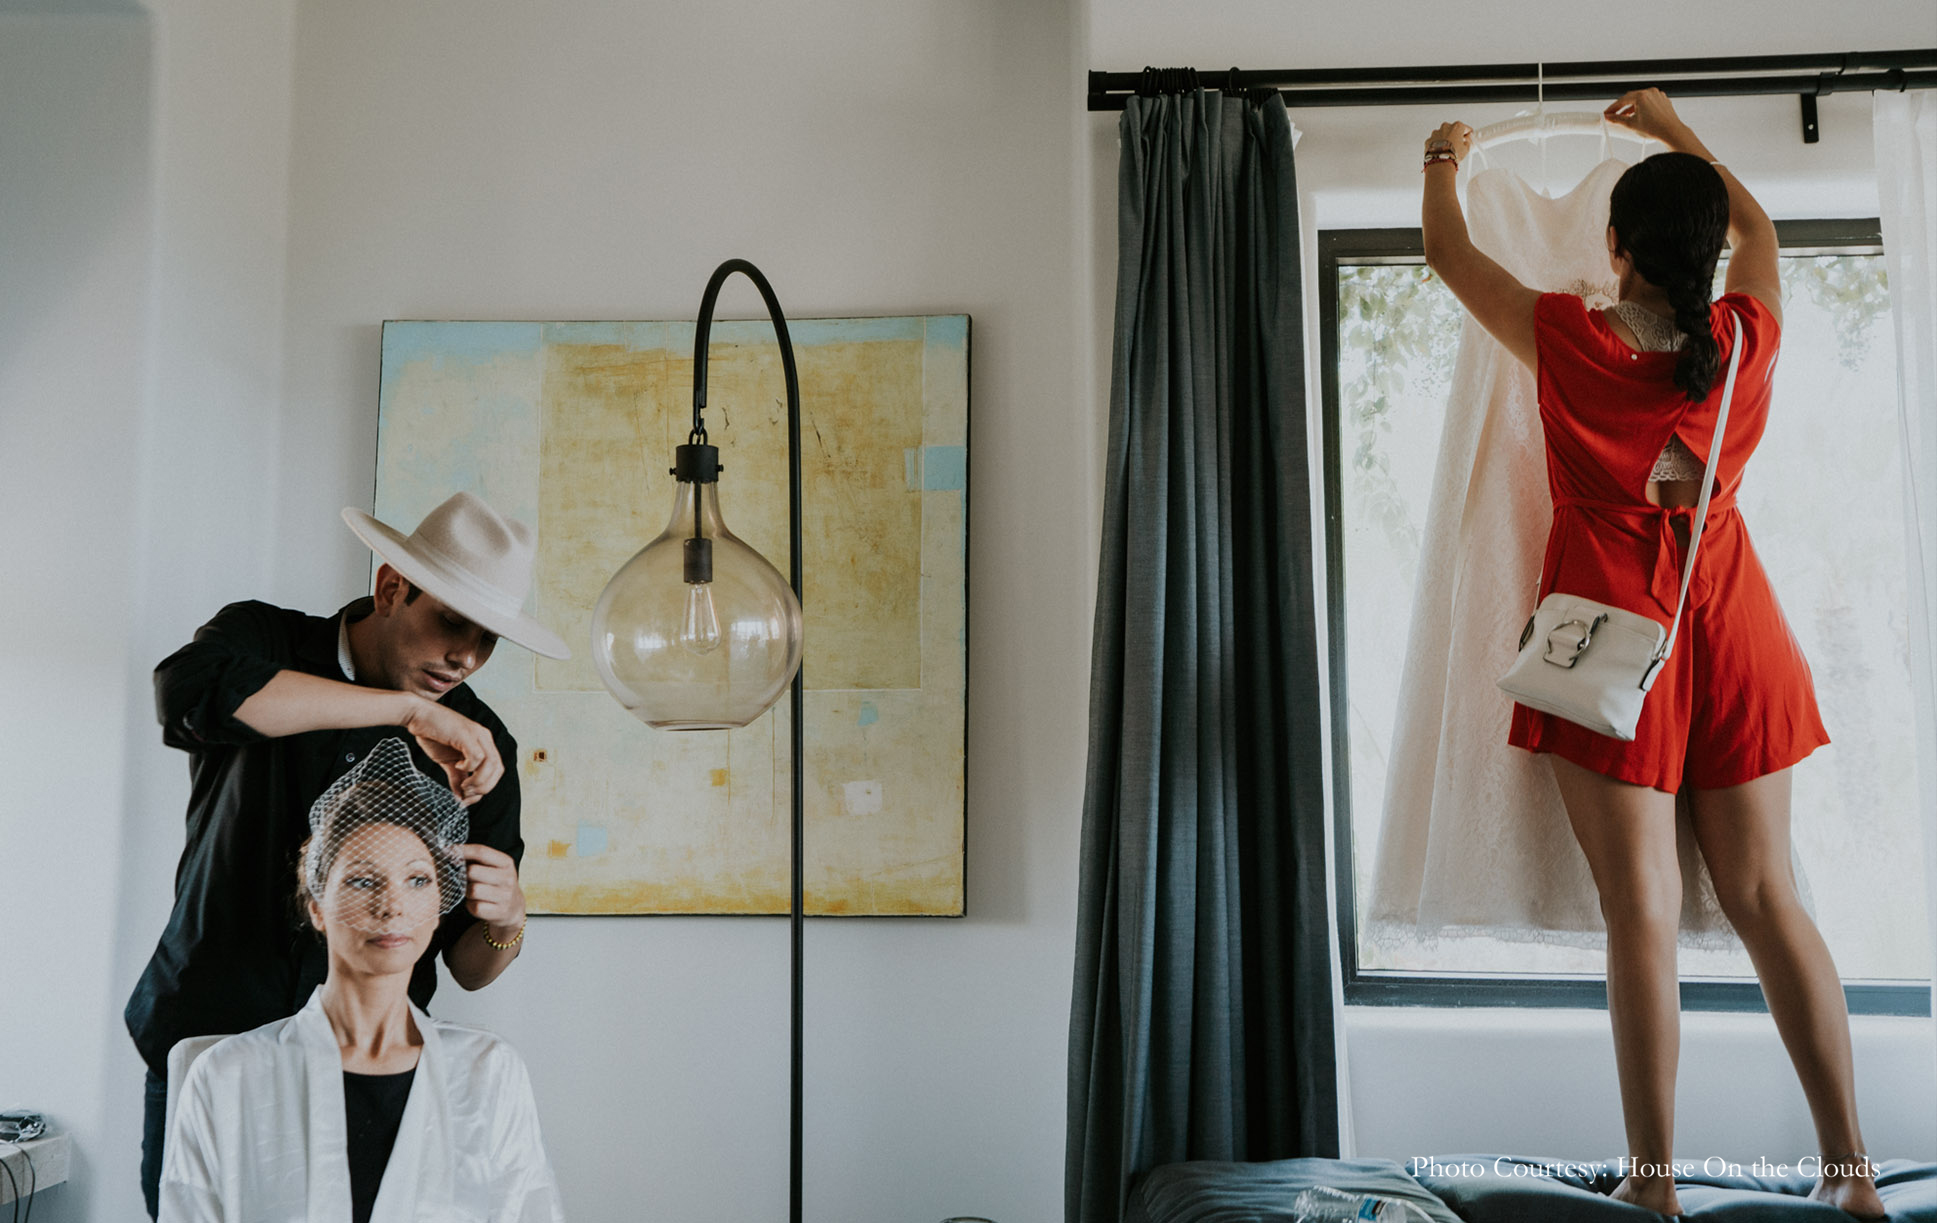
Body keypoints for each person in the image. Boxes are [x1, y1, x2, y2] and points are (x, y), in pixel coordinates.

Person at [1419, 89, 1884, 1220]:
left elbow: (1447, 252)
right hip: (1730, 617)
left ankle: (1655, 1180)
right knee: (1769, 897)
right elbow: (1760, 231)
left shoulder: (1569, 338)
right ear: (1705, 251)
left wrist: (1440, 158)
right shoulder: (1746, 339)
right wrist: (1677, 132)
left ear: (1614, 245)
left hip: (1609, 627)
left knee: (1639, 906)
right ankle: (1852, 1174)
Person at [128, 491, 572, 1219]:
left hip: (380, 1069)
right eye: (451, 621)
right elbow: (187, 694)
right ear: (391, 587)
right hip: (212, 1036)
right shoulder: (263, 641)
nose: (466, 656)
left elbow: (469, 965)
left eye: (488, 638)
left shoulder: (480, 747)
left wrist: (508, 921)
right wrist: (408, 711)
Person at [159, 739, 565, 1222]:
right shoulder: (228, 1075)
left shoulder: (487, 1070)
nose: (391, 906)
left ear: (441, 905)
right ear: (316, 906)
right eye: (362, 880)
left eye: (417, 880)